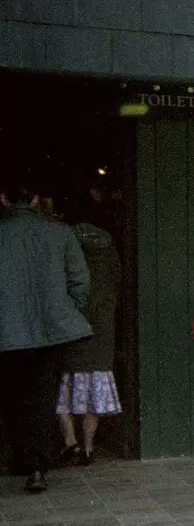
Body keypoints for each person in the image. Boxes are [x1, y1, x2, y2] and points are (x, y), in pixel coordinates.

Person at [0, 177, 92, 493]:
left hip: (6, 332)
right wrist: (66, 311)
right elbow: (80, 281)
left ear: (3, 199)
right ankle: (37, 467)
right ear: (37, 199)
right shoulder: (60, 233)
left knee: (12, 397)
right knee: (42, 397)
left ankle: (17, 459)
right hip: (52, 331)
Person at [55, 199, 121, 466]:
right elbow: (117, 282)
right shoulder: (108, 246)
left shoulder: (65, 242)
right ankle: (89, 448)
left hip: (71, 329)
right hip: (101, 331)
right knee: (93, 394)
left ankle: (70, 443)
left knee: (63, 396)